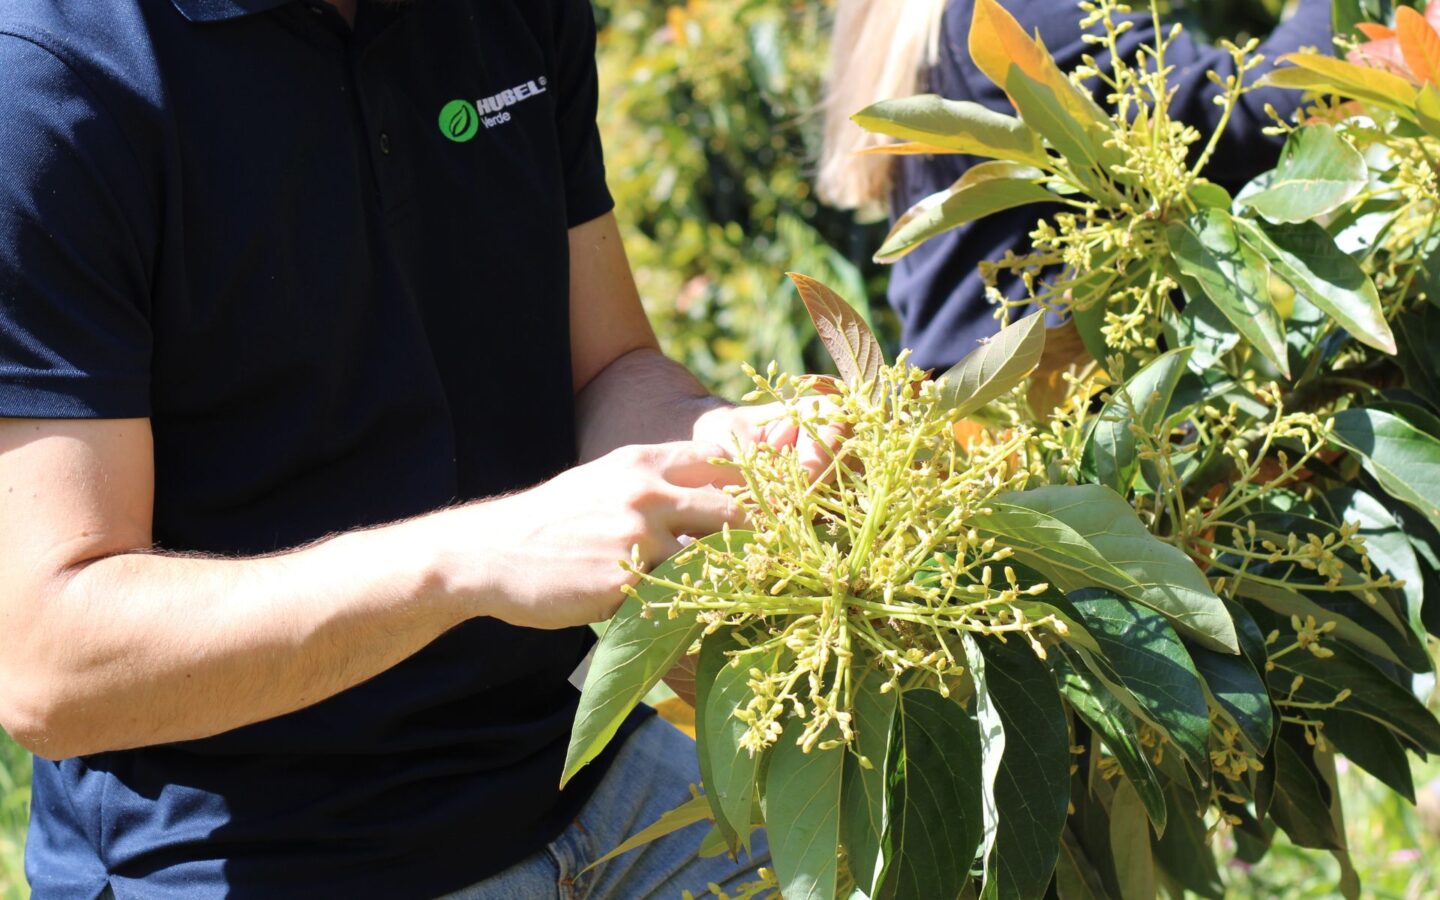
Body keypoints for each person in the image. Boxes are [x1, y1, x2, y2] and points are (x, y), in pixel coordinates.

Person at [0, 1, 813, 896]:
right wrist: (469, 558)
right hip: (268, 854)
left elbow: (607, 368)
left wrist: (724, 444)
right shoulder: (50, 83)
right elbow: (51, 663)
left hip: (573, 762)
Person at [818, 0, 1333, 372]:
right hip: (1052, 430)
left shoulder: (936, 35)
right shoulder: (1008, 18)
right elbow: (1256, 106)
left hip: (964, 430)